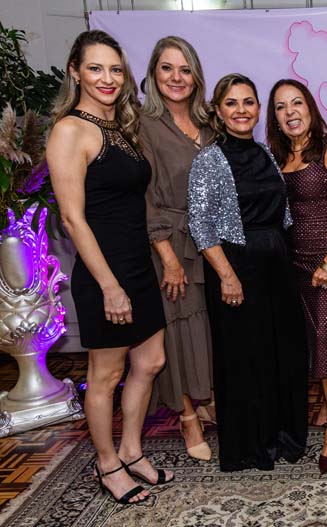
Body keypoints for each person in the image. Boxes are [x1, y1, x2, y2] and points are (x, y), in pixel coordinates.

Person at [47, 30, 172, 504]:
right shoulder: (70, 130)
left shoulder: (120, 127)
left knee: (151, 361)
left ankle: (132, 450)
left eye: (115, 69)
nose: (107, 78)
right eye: (95, 68)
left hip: (137, 263)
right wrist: (109, 286)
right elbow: (72, 218)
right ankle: (107, 464)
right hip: (106, 272)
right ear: (75, 72)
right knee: (105, 374)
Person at [188, 73, 307, 472]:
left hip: (276, 262)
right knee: (244, 357)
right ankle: (249, 446)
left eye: (248, 102)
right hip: (236, 266)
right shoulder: (209, 159)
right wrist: (227, 275)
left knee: (280, 352)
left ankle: (281, 436)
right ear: (218, 112)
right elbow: (201, 224)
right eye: (232, 103)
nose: (241, 110)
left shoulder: (266, 153)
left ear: (258, 109)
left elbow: (281, 213)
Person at [266, 79, 327, 474]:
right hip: (290, 260)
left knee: (323, 335)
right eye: (281, 107)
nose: (290, 112)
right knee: (306, 339)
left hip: (326, 260)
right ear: (275, 117)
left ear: (310, 107)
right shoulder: (276, 156)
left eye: (297, 103)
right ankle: (323, 405)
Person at [139, 36, 214, 462]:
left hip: (209, 243)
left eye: (185, 69)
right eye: (167, 68)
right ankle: (187, 417)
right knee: (180, 332)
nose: (176, 77)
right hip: (170, 244)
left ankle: (204, 400)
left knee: (205, 329)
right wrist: (167, 257)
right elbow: (145, 198)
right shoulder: (144, 126)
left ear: (196, 76)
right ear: (153, 73)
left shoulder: (208, 124)